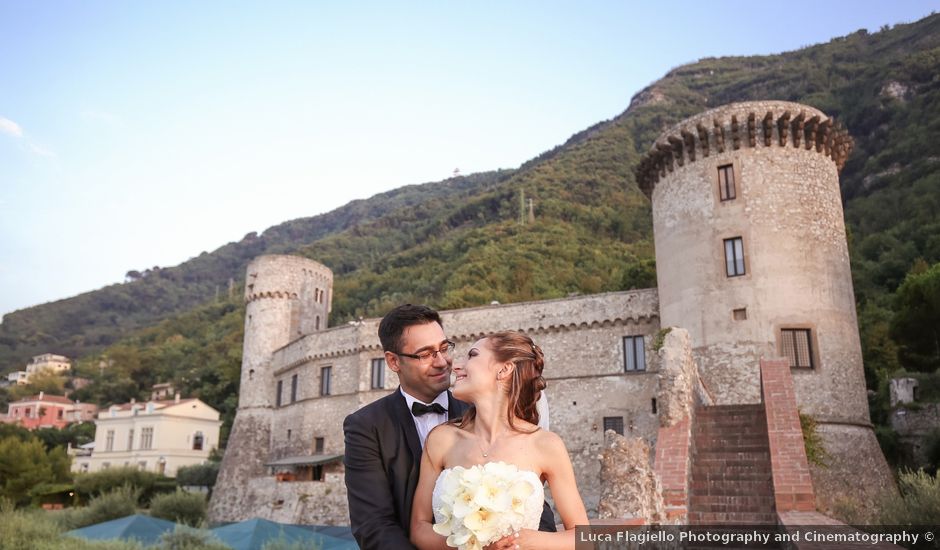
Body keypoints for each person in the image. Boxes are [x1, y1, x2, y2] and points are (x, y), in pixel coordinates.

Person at [343, 306, 556, 550]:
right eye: (425, 354)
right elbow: (374, 525)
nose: (442, 362)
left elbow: (530, 501)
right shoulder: (366, 426)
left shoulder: (484, 411)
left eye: (444, 348)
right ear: (393, 361)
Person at [410, 331, 588, 550]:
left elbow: (582, 537)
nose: (456, 366)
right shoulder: (441, 439)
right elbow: (419, 528)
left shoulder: (545, 445)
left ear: (504, 369)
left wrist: (532, 540)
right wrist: (468, 545)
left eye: (472, 355)